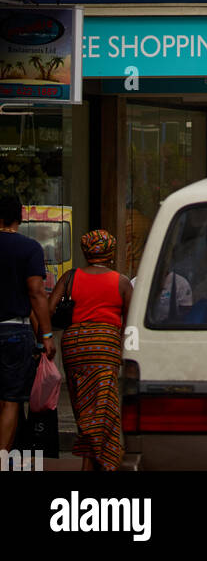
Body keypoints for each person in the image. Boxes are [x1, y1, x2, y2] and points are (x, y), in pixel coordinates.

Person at [48, 229, 132, 471]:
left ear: (86, 252)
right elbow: (130, 322)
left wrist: (45, 337)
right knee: (103, 408)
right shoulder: (122, 282)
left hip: (74, 346)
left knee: (84, 407)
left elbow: (50, 307)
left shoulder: (70, 277)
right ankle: (99, 463)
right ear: (111, 252)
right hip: (105, 347)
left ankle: (90, 462)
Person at [0, 193, 56, 454]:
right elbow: (36, 292)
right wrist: (46, 334)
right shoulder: (29, 248)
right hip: (15, 330)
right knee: (10, 400)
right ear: (19, 218)